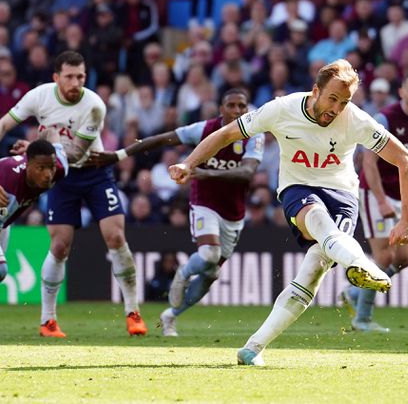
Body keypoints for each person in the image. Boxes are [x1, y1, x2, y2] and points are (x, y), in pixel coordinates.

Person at [168, 59, 408, 366]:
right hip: (297, 187)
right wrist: (189, 164)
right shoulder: (281, 109)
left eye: (345, 102)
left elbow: (407, 161)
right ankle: (359, 263)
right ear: (315, 91)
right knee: (317, 219)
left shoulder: (356, 120)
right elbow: (226, 135)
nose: (337, 109)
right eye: (332, 99)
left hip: (343, 194)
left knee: (314, 270)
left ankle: (253, 348)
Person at [89, 88, 264, 336]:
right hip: (205, 203)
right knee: (209, 254)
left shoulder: (253, 134)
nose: (237, 111)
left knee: (211, 273)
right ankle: (182, 273)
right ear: (221, 109)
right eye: (232, 105)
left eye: (242, 106)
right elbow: (162, 139)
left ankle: (170, 316)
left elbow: (247, 173)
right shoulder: (204, 129)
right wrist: (119, 155)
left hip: (233, 213)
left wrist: (205, 173)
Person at [0, 51, 147, 338]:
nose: (75, 82)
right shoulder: (39, 96)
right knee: (59, 246)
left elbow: (77, 152)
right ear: (56, 77)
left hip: (92, 171)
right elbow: (5, 122)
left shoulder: (94, 105)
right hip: (55, 176)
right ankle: (48, 321)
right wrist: (36, 152)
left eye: (80, 76)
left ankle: (133, 312)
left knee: (116, 236)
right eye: (69, 76)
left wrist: (35, 147)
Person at [340, 71, 408, 332]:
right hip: (376, 191)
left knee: (404, 259)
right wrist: (382, 201)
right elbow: (368, 161)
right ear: (402, 92)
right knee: (384, 255)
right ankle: (362, 318)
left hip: (405, 192)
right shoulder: (386, 118)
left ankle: (353, 293)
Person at [0, 131, 68, 284]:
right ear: (28, 165)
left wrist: (34, 145)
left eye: (50, 168)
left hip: (3, 223)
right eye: (41, 168)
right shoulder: (8, 176)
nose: (48, 175)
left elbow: (52, 131)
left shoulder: (60, 168)